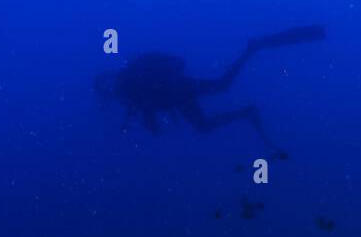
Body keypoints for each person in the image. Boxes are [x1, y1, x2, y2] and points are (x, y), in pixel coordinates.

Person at [95, 25, 325, 154]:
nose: (108, 91)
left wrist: (148, 117)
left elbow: (148, 104)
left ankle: (251, 60)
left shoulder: (128, 87)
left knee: (214, 104)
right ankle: (250, 60)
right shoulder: (130, 86)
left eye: (105, 88)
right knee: (220, 91)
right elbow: (149, 104)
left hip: (179, 91)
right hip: (180, 93)